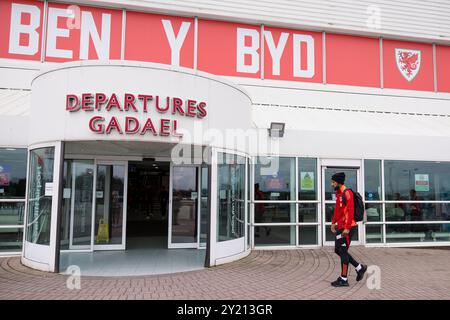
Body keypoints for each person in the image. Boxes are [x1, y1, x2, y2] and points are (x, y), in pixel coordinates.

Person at [330, 172, 367, 287]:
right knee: (338, 250)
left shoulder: (348, 193)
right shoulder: (339, 194)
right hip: (341, 227)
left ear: (339, 182)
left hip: (348, 228)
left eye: (333, 182)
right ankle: (359, 267)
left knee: (343, 251)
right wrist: (333, 223)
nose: (331, 184)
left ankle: (344, 279)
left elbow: (350, 211)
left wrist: (346, 228)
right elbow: (338, 211)